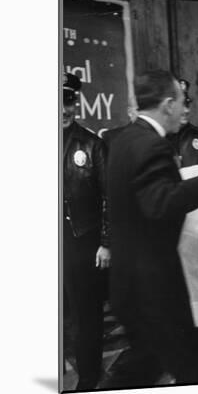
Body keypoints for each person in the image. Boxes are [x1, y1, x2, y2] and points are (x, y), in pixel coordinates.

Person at [106, 70, 198, 384]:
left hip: (132, 285)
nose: (186, 109)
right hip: (155, 292)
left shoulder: (122, 139)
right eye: (182, 102)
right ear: (167, 104)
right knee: (190, 370)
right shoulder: (152, 145)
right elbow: (161, 205)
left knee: (155, 366)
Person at [62, 72, 111, 390]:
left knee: (86, 315)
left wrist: (106, 242)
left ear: (75, 102)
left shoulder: (91, 144)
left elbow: (110, 198)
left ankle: (89, 375)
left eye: (67, 101)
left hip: (84, 240)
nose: (62, 108)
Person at [168, 79, 198, 168]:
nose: (186, 110)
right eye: (181, 105)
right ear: (170, 106)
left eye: (187, 105)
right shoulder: (160, 137)